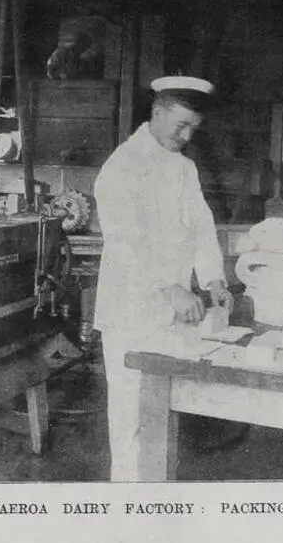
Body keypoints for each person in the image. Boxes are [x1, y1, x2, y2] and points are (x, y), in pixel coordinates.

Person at [94, 76, 233, 481]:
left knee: (164, 407)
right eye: (181, 126)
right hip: (131, 310)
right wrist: (168, 286)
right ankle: (129, 500)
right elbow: (124, 240)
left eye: (193, 129)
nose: (187, 136)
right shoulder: (124, 165)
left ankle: (157, 495)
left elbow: (202, 229)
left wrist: (213, 280)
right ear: (158, 113)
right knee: (131, 414)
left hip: (174, 311)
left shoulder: (185, 168)